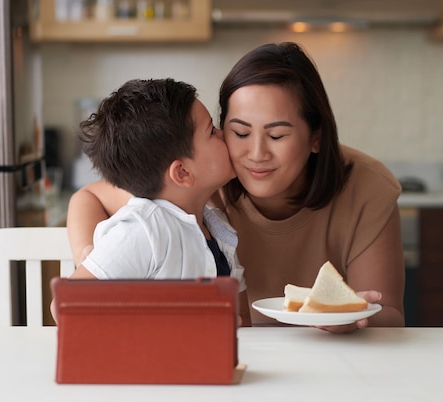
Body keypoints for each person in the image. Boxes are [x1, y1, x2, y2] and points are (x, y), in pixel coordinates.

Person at [67, 42, 405, 332]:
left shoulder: (364, 186)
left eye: (277, 135)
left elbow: (388, 313)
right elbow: (89, 196)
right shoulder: (192, 186)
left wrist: (350, 320)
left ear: (316, 136)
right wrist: (93, 258)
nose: (255, 154)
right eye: (238, 132)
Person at [62, 78, 251, 326]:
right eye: (212, 131)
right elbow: (67, 305)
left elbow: (244, 324)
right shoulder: (144, 229)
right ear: (182, 173)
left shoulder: (218, 230)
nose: (224, 134)